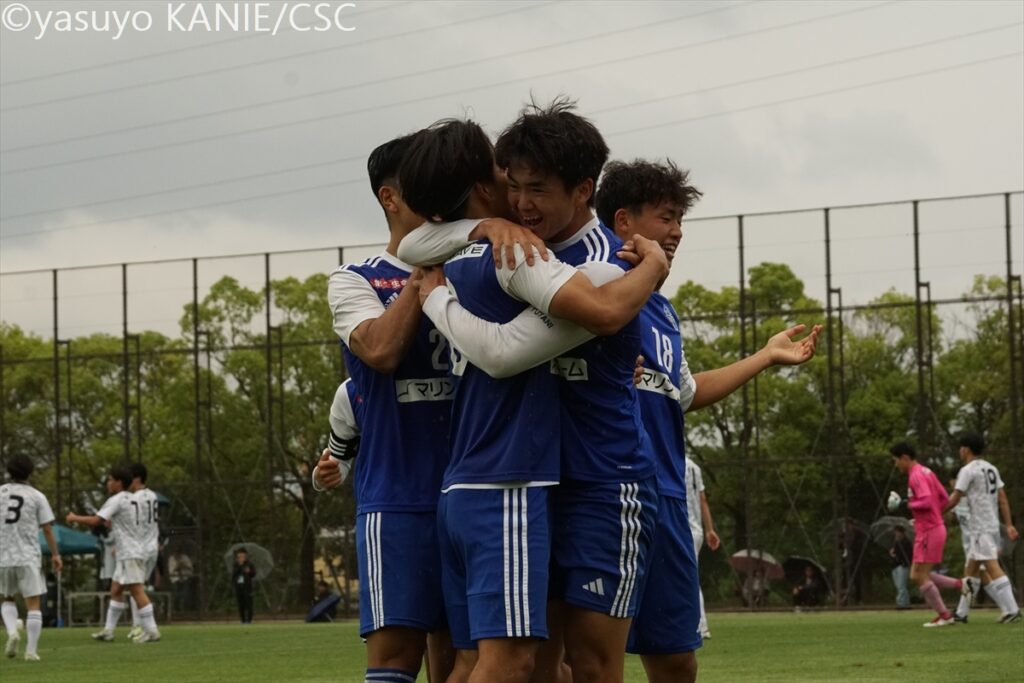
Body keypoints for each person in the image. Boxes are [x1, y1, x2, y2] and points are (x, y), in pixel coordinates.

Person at [396, 115, 667, 683]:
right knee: (540, 665)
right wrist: (485, 224)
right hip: (536, 480)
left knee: (591, 665)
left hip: (601, 480)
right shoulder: (509, 242)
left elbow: (505, 351)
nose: (521, 203)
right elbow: (415, 241)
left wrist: (435, 300)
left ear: (583, 189)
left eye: (537, 189)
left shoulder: (605, 264)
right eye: (513, 186)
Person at [596, 158, 820, 683]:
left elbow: (685, 392)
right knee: (590, 660)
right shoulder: (588, 291)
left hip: (667, 499)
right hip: (606, 495)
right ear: (623, 220)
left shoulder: (662, 311)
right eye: (665, 217)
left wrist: (766, 356)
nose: (677, 231)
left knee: (677, 661)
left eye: (680, 219)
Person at [67, 462, 162, 643]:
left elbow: (96, 520)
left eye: (111, 480)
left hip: (131, 552)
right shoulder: (134, 498)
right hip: (132, 550)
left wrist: (74, 517)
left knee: (137, 590)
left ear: (119, 482)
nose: (108, 483)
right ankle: (108, 631)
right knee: (116, 589)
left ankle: (152, 630)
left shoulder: (117, 499)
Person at [942, 433, 1021, 623]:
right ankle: (962, 613)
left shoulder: (967, 470)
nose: (959, 451)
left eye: (961, 447)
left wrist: (935, 512)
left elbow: (955, 498)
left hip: (980, 527)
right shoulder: (991, 468)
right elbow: (1002, 498)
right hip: (991, 524)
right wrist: (1009, 524)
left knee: (992, 566)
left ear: (966, 449)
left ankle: (1012, 610)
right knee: (971, 570)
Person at [888, 442, 961, 627]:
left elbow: (927, 501)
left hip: (930, 531)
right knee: (917, 574)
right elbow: (944, 497)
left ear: (905, 457)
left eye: (896, 460)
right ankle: (961, 586)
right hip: (931, 528)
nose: (896, 464)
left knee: (919, 575)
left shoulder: (916, 475)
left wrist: (905, 504)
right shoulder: (926, 471)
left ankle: (946, 615)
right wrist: (924, 518)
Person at [1, 454, 62, 662]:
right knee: (33, 604)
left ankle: (12, 632)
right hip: (28, 555)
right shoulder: (37, 496)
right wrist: (55, 554)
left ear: (9, 471)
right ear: (30, 472)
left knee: (7, 597)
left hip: (3, 555)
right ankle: (31, 651)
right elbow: (47, 529)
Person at [890, 526, 913, 609]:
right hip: (895, 566)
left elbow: (907, 555)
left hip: (903, 566)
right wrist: (892, 553)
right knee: (899, 586)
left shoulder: (906, 542)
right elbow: (895, 554)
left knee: (901, 585)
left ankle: (901, 603)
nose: (896, 534)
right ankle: (906, 602)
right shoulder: (895, 542)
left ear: (901, 533)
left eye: (897, 532)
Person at [232, 547, 256, 624]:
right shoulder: (235, 564)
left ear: (245, 555)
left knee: (248, 603)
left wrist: (249, 571)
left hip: (247, 586)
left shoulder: (250, 564)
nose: (241, 557)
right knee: (240, 604)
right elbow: (233, 575)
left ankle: (249, 620)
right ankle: (242, 620)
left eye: (242, 555)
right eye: (239, 555)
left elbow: (253, 574)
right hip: (239, 586)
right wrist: (239, 566)